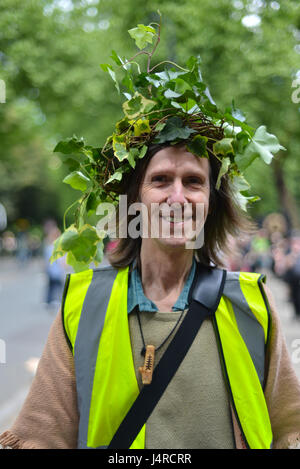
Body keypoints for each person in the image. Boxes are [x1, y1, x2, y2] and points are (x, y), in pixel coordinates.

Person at [1, 18, 300, 450]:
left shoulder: (252, 305)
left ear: (211, 202)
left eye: (194, 181)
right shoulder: (82, 306)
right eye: (160, 180)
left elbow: (290, 431)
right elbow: (40, 438)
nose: (177, 196)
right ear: (133, 200)